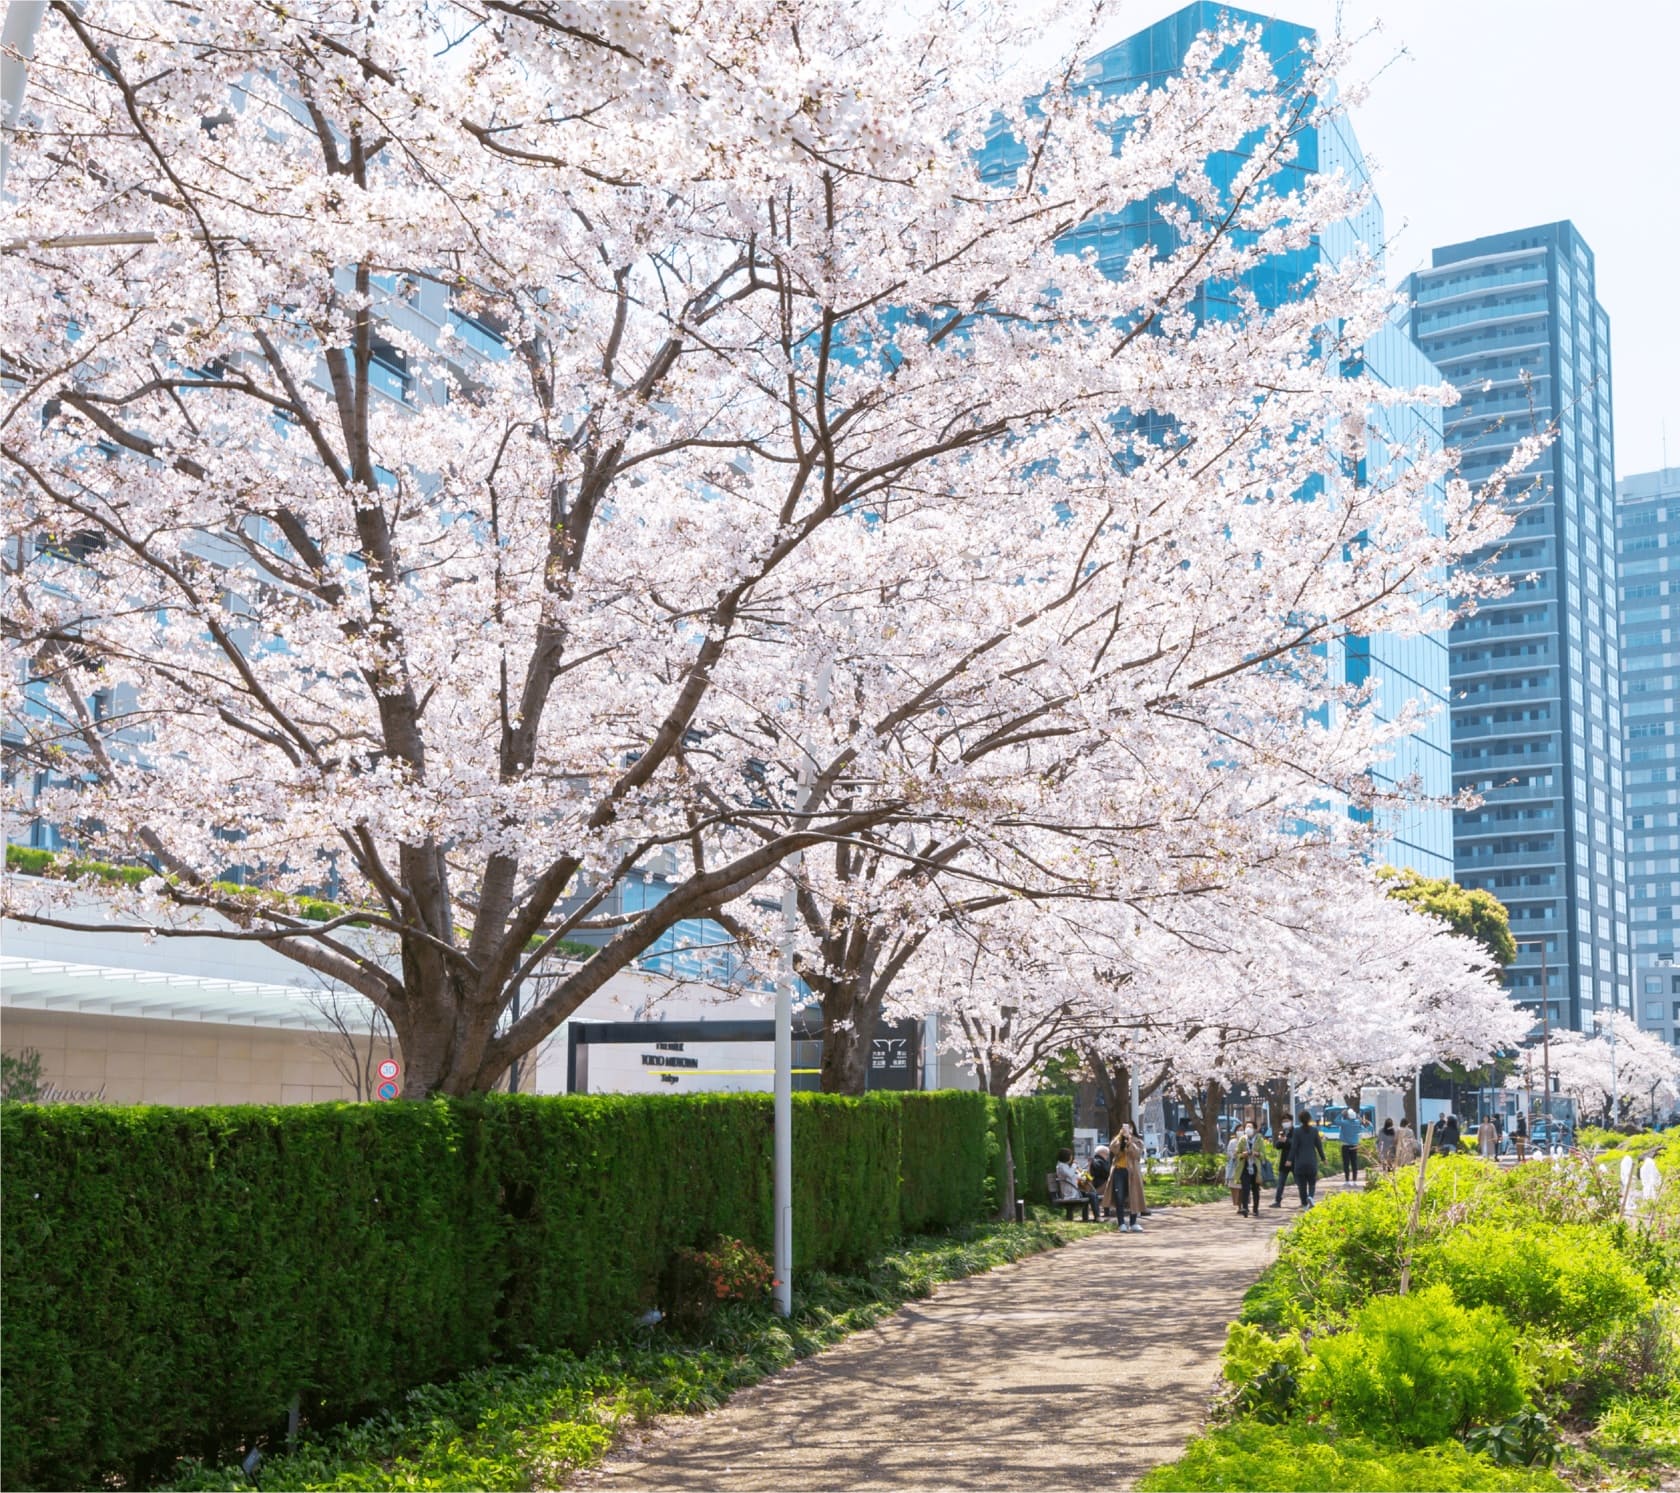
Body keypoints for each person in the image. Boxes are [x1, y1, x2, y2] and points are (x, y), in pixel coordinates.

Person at [1287, 1109, 1325, 1208]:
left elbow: (1294, 1147)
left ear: (1299, 1119)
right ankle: (1311, 1197)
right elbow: (1319, 1146)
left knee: (1302, 1185)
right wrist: (1323, 1158)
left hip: (1300, 1162)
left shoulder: (1297, 1131)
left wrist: (1289, 1160)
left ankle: (1304, 1203)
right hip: (1311, 1161)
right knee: (1312, 1183)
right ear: (1309, 1119)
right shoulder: (1314, 1130)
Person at [1111, 1123, 1145, 1232]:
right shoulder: (1117, 1139)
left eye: (1129, 1127)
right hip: (1118, 1171)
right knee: (1119, 1197)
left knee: (1133, 1197)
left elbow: (1136, 1154)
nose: (1126, 1130)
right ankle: (1121, 1223)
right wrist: (1120, 1138)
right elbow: (1113, 1149)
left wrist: (1129, 1142)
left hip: (1132, 1172)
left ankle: (1133, 1222)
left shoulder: (1137, 1141)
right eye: (1124, 1127)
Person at [1054, 1147, 1095, 1221]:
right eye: (1071, 1155)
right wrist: (1074, 1165)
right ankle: (1095, 1217)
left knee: (1092, 1195)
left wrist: (1083, 1175)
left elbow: (1075, 1176)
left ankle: (1095, 1216)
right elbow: (1070, 1174)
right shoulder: (1061, 1166)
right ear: (1066, 1156)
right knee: (1092, 1196)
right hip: (1069, 1195)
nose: (1072, 1157)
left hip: (1074, 1192)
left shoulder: (1066, 1166)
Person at [1234, 1123, 1263, 1217]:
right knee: (1245, 1189)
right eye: (1247, 1127)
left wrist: (1257, 1154)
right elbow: (1237, 1153)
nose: (1248, 1129)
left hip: (1255, 1167)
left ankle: (1255, 1209)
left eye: (1250, 1127)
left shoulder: (1259, 1139)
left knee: (1255, 1189)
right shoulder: (1243, 1139)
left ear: (1255, 1129)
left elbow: (1263, 1155)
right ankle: (1245, 1208)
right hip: (1245, 1167)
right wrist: (1243, 1154)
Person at [1269, 1118, 1295, 1208]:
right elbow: (1277, 1146)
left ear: (1291, 1121)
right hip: (1284, 1162)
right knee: (1280, 1182)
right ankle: (1277, 1200)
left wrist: (1286, 1141)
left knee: (1300, 1182)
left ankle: (1305, 1200)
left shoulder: (1296, 1132)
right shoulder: (1283, 1132)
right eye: (1283, 1122)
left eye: (1287, 1121)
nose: (1285, 1123)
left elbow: (1295, 1144)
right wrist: (1280, 1140)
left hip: (1294, 1161)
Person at [1337, 1107, 1363, 1184]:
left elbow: (1335, 1121)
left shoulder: (1344, 1123)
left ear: (1348, 1116)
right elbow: (1361, 1122)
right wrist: (1358, 1116)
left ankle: (1347, 1180)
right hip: (1354, 1146)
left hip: (1345, 1145)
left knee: (1346, 1163)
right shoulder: (1357, 1122)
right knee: (1354, 1163)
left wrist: (1341, 1114)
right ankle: (1354, 1180)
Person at [1088, 1143, 1113, 1221]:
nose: (1107, 1156)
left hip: (1097, 1185)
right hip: (1099, 1186)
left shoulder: (1095, 1161)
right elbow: (1107, 1173)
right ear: (1102, 1153)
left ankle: (1107, 1210)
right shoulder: (1099, 1161)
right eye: (1106, 1154)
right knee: (1112, 1184)